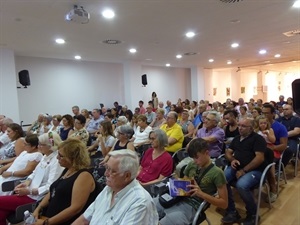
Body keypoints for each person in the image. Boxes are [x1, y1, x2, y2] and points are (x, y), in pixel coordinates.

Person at [72, 150, 159, 225]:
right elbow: (84, 220)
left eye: (112, 171)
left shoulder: (140, 203)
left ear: (127, 176)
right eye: (106, 168)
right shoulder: (109, 188)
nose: (106, 174)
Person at [155, 138, 228, 225]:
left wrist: (201, 193)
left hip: (193, 205)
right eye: (192, 158)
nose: (194, 161)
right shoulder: (192, 164)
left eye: (197, 157)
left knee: (165, 221)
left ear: (207, 153)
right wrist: (178, 184)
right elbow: (185, 181)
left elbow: (224, 204)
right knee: (151, 206)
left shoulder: (217, 173)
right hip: (180, 197)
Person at [0, 132, 63, 224]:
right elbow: (33, 173)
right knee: (1, 212)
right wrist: (26, 183)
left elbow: (50, 186)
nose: (39, 146)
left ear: (50, 146)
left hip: (36, 198)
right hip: (28, 192)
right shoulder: (45, 156)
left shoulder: (56, 161)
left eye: (42, 144)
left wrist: (29, 191)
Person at [32, 139, 98, 225]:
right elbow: (53, 191)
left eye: (61, 156)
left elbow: (75, 208)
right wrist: (38, 208)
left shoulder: (84, 176)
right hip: (48, 218)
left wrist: (46, 223)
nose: (57, 158)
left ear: (73, 158)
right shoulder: (67, 170)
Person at [221, 118, 267, 225]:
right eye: (239, 125)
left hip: (255, 170)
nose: (240, 128)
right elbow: (228, 152)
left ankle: (253, 213)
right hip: (237, 167)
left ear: (250, 128)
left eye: (243, 126)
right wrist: (232, 160)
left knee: (241, 185)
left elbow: (259, 158)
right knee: (222, 179)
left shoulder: (258, 139)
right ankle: (232, 211)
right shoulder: (237, 139)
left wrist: (244, 170)